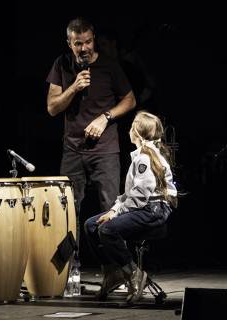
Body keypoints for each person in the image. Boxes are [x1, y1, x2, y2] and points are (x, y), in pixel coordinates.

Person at [46, 18, 136, 250]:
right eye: (78, 43)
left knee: (110, 210)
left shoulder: (109, 65)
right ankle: (68, 272)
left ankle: (116, 269)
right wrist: (74, 88)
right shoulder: (62, 64)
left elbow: (130, 100)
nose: (84, 48)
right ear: (69, 43)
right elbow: (52, 107)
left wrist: (105, 117)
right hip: (73, 150)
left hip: (105, 150)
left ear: (93, 39)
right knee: (67, 210)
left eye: (88, 42)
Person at [84, 111, 178, 303]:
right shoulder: (141, 156)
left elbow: (140, 196)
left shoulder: (145, 158)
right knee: (91, 225)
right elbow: (130, 194)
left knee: (107, 229)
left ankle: (134, 274)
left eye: (131, 127)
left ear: (136, 132)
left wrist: (115, 212)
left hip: (154, 210)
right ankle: (113, 273)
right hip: (145, 206)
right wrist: (115, 209)